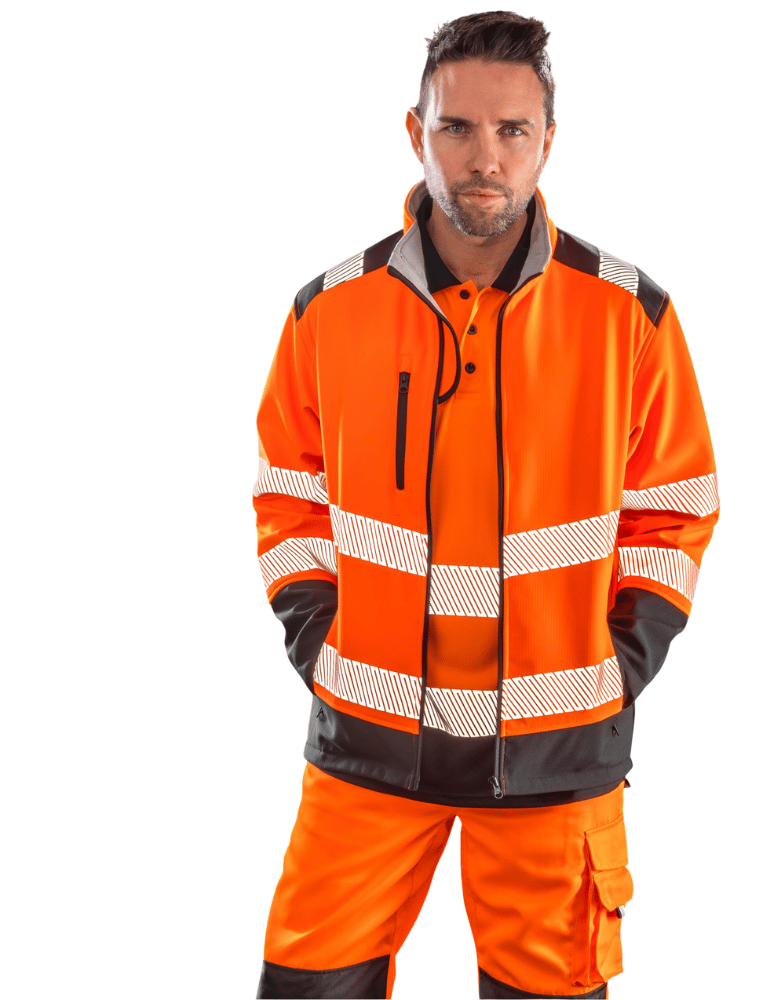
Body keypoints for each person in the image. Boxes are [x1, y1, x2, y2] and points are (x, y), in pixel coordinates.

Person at [252, 11, 719, 998]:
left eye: (512, 130)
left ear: (549, 139)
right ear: (414, 132)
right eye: (457, 127)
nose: (484, 157)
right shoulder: (328, 312)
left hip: (554, 759)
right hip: (366, 746)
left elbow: (674, 506)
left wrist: (618, 663)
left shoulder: (628, 314)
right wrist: (320, 639)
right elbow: (287, 491)